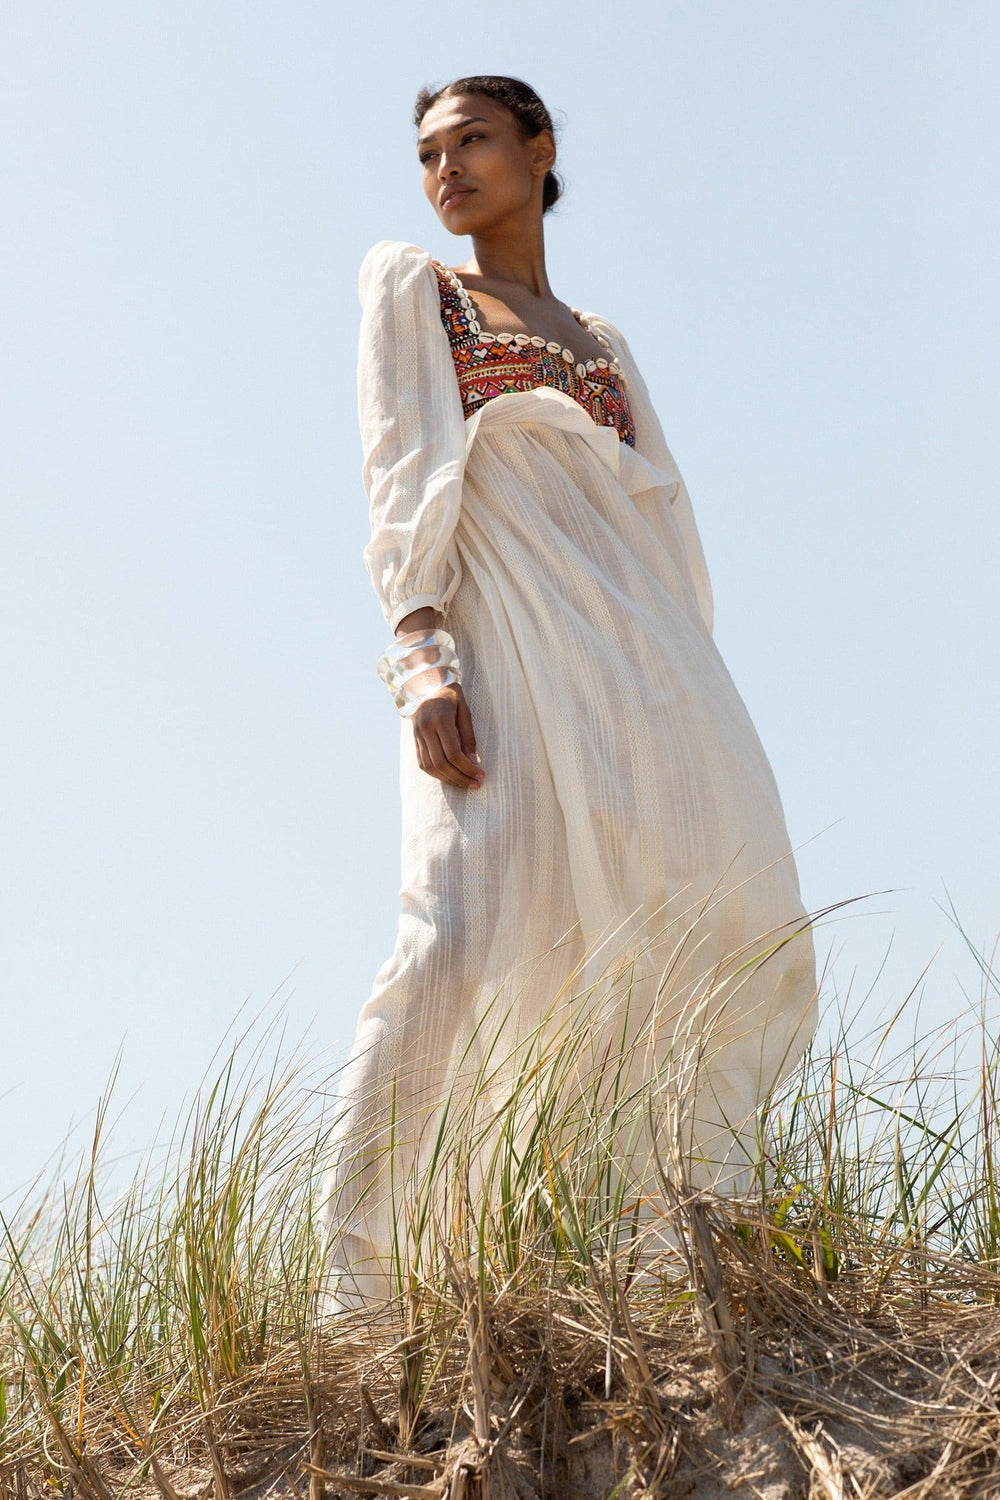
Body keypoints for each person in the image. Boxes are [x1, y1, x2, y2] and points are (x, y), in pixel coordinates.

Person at [320, 74, 818, 1312]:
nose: (445, 170)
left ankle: (671, 1252)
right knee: (460, 926)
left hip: (641, 661)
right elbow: (399, 478)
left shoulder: (602, 341)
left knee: (704, 910)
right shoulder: (412, 289)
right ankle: (372, 1294)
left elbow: (657, 524)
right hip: (496, 639)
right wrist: (422, 658)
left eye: (472, 141)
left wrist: (671, 695)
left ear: (540, 150)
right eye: (427, 152)